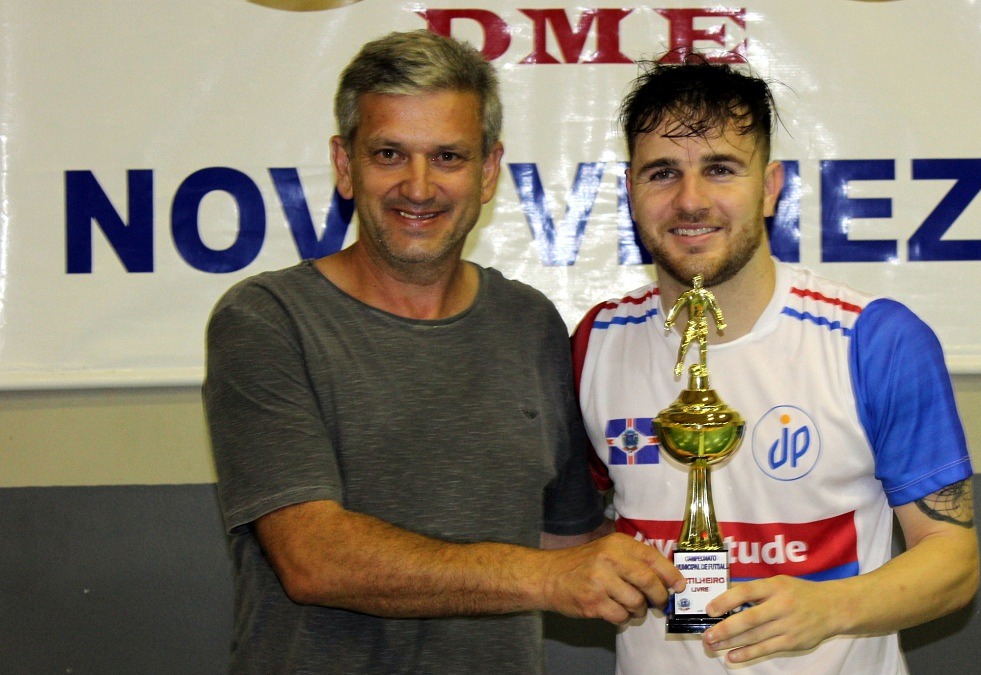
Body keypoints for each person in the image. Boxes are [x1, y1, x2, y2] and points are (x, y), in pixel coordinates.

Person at [202, 30, 683, 674]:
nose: (419, 186)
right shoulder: (268, 319)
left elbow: (568, 539)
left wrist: (712, 556)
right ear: (346, 166)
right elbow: (313, 559)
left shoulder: (530, 323)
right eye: (389, 154)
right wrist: (546, 578)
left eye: (449, 157)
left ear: (488, 171)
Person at [572, 57, 980, 673]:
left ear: (769, 186)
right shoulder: (595, 340)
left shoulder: (874, 339)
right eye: (662, 172)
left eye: (720, 169)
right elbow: (570, 534)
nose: (691, 200)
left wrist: (830, 607)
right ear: (630, 188)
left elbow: (953, 562)